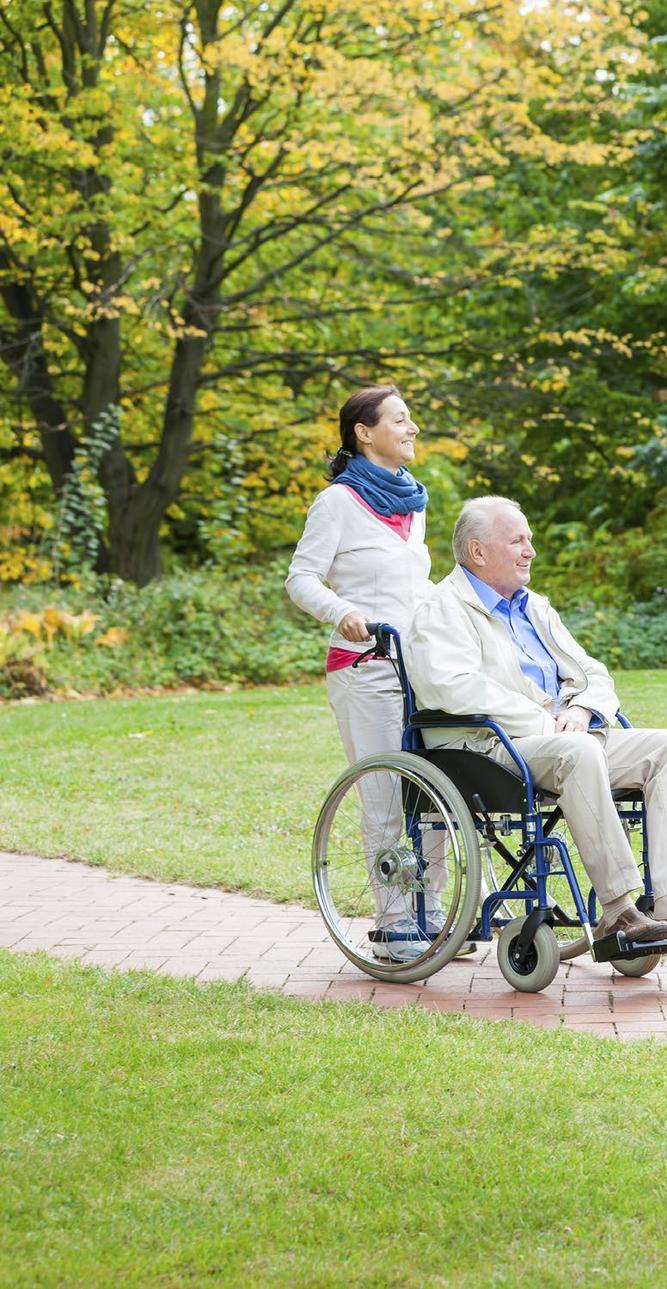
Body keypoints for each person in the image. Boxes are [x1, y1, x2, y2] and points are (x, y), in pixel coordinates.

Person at [404, 496, 667, 944]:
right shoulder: (442, 608)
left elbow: (593, 673)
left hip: (564, 739)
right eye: (518, 541)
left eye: (529, 540)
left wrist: (584, 709)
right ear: (478, 552)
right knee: (579, 749)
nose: (531, 551)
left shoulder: (534, 607)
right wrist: (547, 721)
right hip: (487, 749)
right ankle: (619, 909)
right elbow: (452, 688)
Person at [286, 385, 456, 962]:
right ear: (365, 431)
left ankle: (436, 914)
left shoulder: (412, 502)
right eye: (401, 419)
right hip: (366, 668)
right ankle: (394, 922)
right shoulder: (336, 502)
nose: (413, 428)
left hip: (421, 668)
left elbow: (413, 588)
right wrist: (345, 611)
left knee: (436, 792)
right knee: (384, 793)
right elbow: (301, 578)